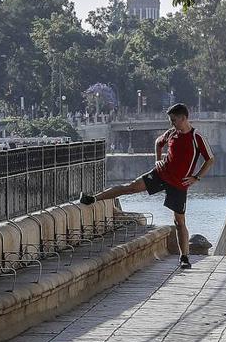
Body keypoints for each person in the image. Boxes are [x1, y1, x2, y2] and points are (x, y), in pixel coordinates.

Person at [80, 103, 214, 269]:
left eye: (174, 120)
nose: (172, 124)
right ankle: (93, 198)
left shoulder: (196, 137)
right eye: (170, 120)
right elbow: (159, 142)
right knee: (130, 187)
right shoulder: (172, 133)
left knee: (179, 221)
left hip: (179, 184)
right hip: (160, 174)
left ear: (184, 118)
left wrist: (196, 177)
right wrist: (157, 159)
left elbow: (210, 159)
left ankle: (184, 257)